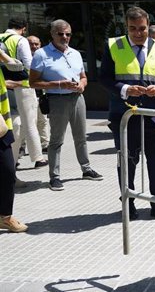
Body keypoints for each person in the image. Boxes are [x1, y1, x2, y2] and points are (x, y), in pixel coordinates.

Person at [101, 6, 155, 222]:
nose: (138, 33)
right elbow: (104, 78)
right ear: (127, 27)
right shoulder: (114, 45)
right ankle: (128, 204)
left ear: (148, 25)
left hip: (153, 116)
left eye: (142, 28)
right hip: (125, 116)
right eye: (133, 29)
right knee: (127, 162)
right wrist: (125, 89)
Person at [29, 20, 103, 191]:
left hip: (78, 98)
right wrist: (59, 84)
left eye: (68, 34)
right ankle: (54, 177)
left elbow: (83, 76)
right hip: (57, 100)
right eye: (60, 33)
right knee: (56, 140)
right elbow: (33, 82)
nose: (65, 37)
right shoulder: (41, 54)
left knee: (81, 137)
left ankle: (86, 169)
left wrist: (82, 85)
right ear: (52, 34)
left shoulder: (75, 53)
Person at [0, 18, 46, 168]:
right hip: (23, 86)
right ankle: (38, 157)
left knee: (12, 122)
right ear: (24, 29)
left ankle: (14, 157)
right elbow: (29, 64)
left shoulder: (0, 38)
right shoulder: (20, 40)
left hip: (4, 85)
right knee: (29, 122)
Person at [0, 46, 28, 232]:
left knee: (8, 172)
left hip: (2, 130)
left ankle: (5, 217)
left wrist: (2, 55)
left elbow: (22, 74)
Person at [28, 35, 49, 151]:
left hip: (41, 95)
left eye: (36, 44)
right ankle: (22, 146)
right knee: (29, 123)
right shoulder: (24, 59)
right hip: (27, 95)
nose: (34, 46)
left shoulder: (43, 58)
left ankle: (45, 144)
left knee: (43, 121)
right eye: (31, 44)